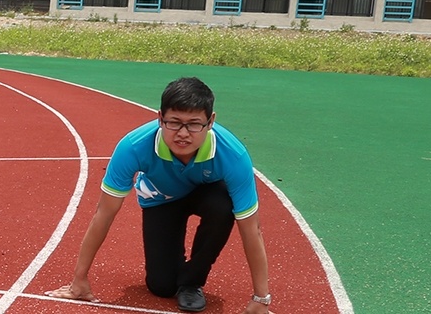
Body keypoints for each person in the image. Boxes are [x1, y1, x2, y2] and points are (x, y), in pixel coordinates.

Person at [48, 78, 271, 314]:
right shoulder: (133, 146)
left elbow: (251, 229)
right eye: (174, 123)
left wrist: (261, 298)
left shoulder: (233, 154)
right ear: (159, 118)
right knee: (161, 286)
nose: (183, 134)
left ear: (211, 121)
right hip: (162, 199)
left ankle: (192, 281)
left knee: (223, 206)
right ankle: (175, 278)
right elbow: (104, 213)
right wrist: (79, 280)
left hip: (209, 195)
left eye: (194, 124)